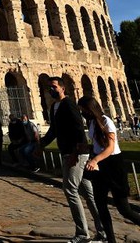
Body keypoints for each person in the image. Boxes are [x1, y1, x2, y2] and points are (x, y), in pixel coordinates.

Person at [37, 77, 105, 243]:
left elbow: (78, 129)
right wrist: (41, 145)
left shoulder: (69, 104)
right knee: (88, 194)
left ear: (62, 88)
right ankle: (103, 231)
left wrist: (76, 152)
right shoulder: (54, 106)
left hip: (76, 154)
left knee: (70, 189)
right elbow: (53, 130)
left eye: (54, 87)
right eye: (49, 87)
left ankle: (83, 233)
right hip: (68, 152)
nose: (51, 90)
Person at [78, 96, 140, 243]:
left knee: (124, 209)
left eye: (83, 110)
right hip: (101, 166)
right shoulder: (92, 122)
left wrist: (94, 160)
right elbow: (99, 146)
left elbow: (110, 147)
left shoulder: (106, 121)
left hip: (113, 165)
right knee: (100, 205)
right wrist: (88, 148)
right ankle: (111, 240)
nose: (82, 113)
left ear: (90, 108)